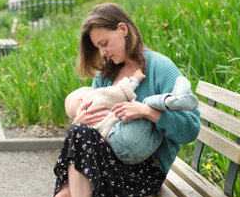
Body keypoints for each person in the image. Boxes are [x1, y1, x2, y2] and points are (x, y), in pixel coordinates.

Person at [51, 3, 201, 197]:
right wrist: (80, 119)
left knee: (79, 134)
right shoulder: (106, 75)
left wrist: (149, 111)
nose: (103, 53)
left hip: (145, 170)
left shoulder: (159, 68)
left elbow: (190, 130)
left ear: (123, 29)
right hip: (105, 160)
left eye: (104, 44)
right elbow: (93, 129)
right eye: (98, 48)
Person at [64, 71, 199, 165]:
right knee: (144, 104)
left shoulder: (85, 122)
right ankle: (169, 100)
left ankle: (169, 101)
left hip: (127, 155)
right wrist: (135, 78)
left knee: (148, 118)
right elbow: (117, 92)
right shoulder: (92, 100)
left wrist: (75, 124)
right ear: (81, 100)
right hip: (122, 139)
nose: (94, 89)